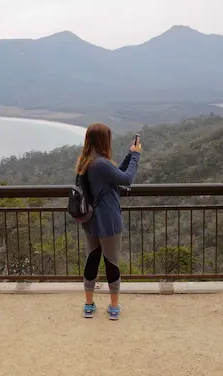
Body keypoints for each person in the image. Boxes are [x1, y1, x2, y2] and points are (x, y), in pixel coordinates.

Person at [75, 123, 141, 320]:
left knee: (92, 260)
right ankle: (113, 307)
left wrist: (129, 156)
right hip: (109, 221)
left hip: (90, 220)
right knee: (111, 262)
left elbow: (114, 176)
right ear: (103, 140)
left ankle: (88, 305)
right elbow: (126, 179)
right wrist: (137, 155)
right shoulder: (101, 164)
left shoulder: (85, 162)